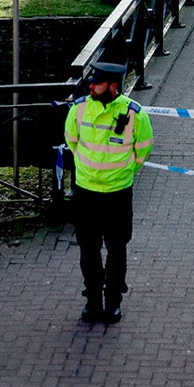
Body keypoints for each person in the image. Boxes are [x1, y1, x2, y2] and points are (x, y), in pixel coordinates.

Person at [64, 62, 154, 324]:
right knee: (88, 249)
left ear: (113, 86)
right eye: (91, 82)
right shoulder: (79, 109)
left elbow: (143, 149)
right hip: (86, 192)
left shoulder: (135, 114)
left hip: (118, 193)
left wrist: (122, 172)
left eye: (97, 83)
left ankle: (113, 300)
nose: (91, 86)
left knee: (117, 248)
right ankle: (93, 300)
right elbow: (72, 140)